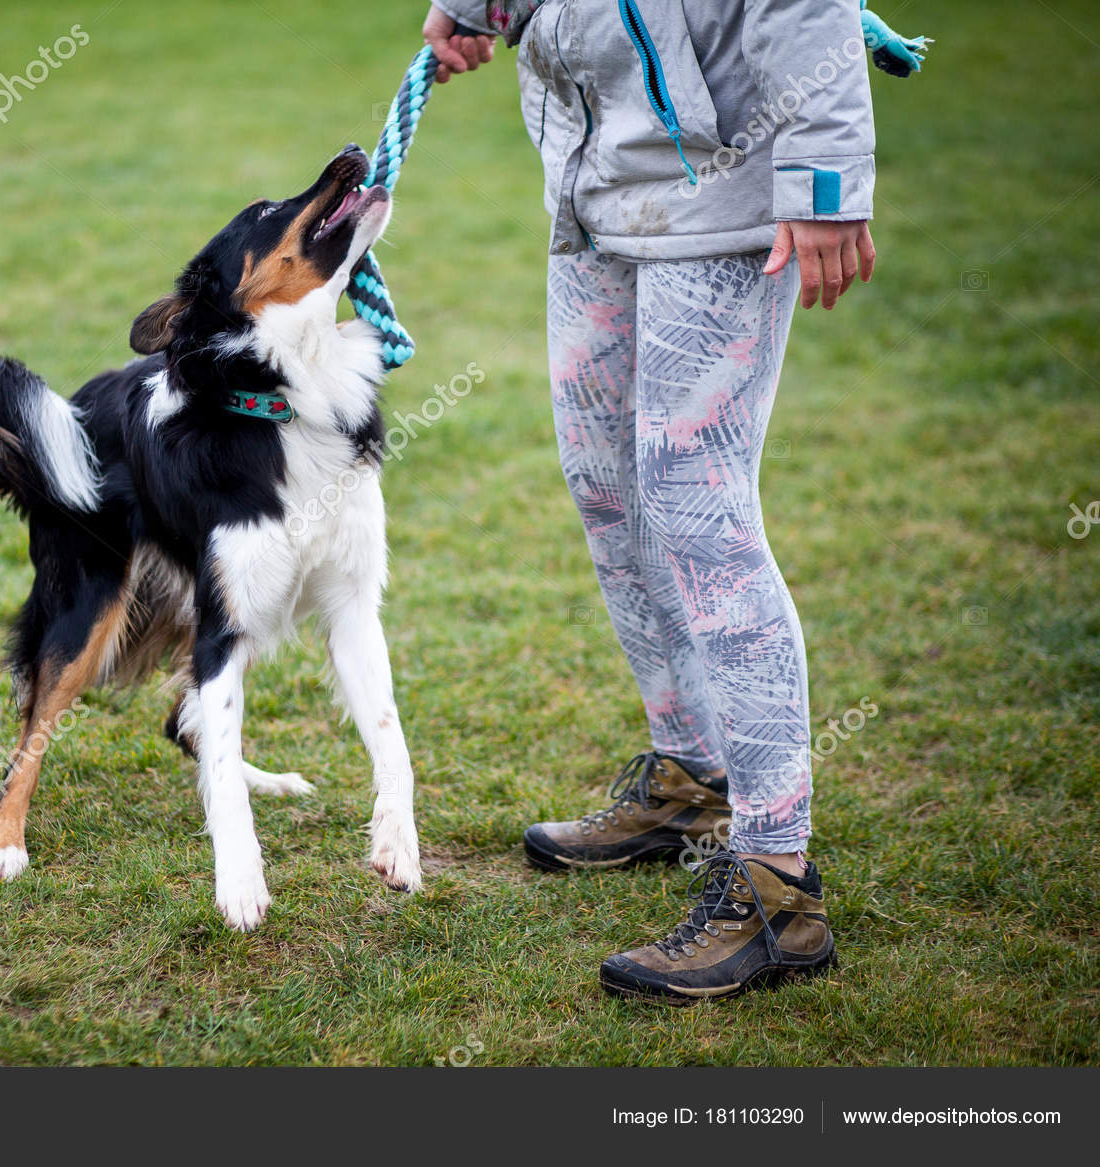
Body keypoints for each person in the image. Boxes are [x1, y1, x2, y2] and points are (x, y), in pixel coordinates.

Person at [423, 0, 880, 1003]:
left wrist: (827, 179)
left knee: (697, 514)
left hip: (721, 183)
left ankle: (777, 888)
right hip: (597, 174)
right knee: (608, 492)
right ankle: (692, 781)